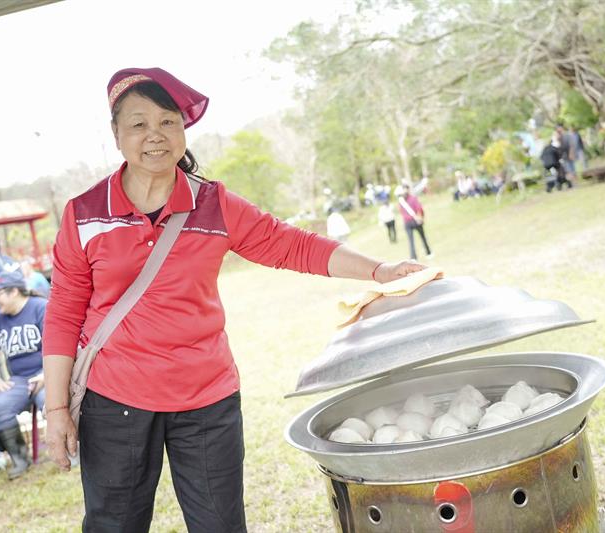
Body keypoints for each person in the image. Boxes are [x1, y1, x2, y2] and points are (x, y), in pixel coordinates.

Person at [42, 67, 427, 533]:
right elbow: (64, 310)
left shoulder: (214, 204)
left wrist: (379, 270)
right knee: (113, 525)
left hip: (206, 397)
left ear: (184, 131)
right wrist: (58, 409)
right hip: (115, 397)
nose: (155, 135)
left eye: (168, 121)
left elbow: (292, 244)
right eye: (139, 123)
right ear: (116, 134)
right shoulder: (84, 214)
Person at [0, 270, 47, 479]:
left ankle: (71, 452)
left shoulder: (40, 308)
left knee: (51, 400)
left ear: (14, 291)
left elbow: (61, 343)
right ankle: (19, 458)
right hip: (20, 380)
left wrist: (47, 374)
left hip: (48, 374)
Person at [397, 184, 432, 260]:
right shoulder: (412, 198)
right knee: (422, 238)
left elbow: (402, 212)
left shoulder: (401, 201)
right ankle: (428, 253)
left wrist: (419, 217)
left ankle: (414, 257)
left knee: (412, 240)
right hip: (415, 221)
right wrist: (421, 217)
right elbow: (419, 208)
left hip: (409, 222)